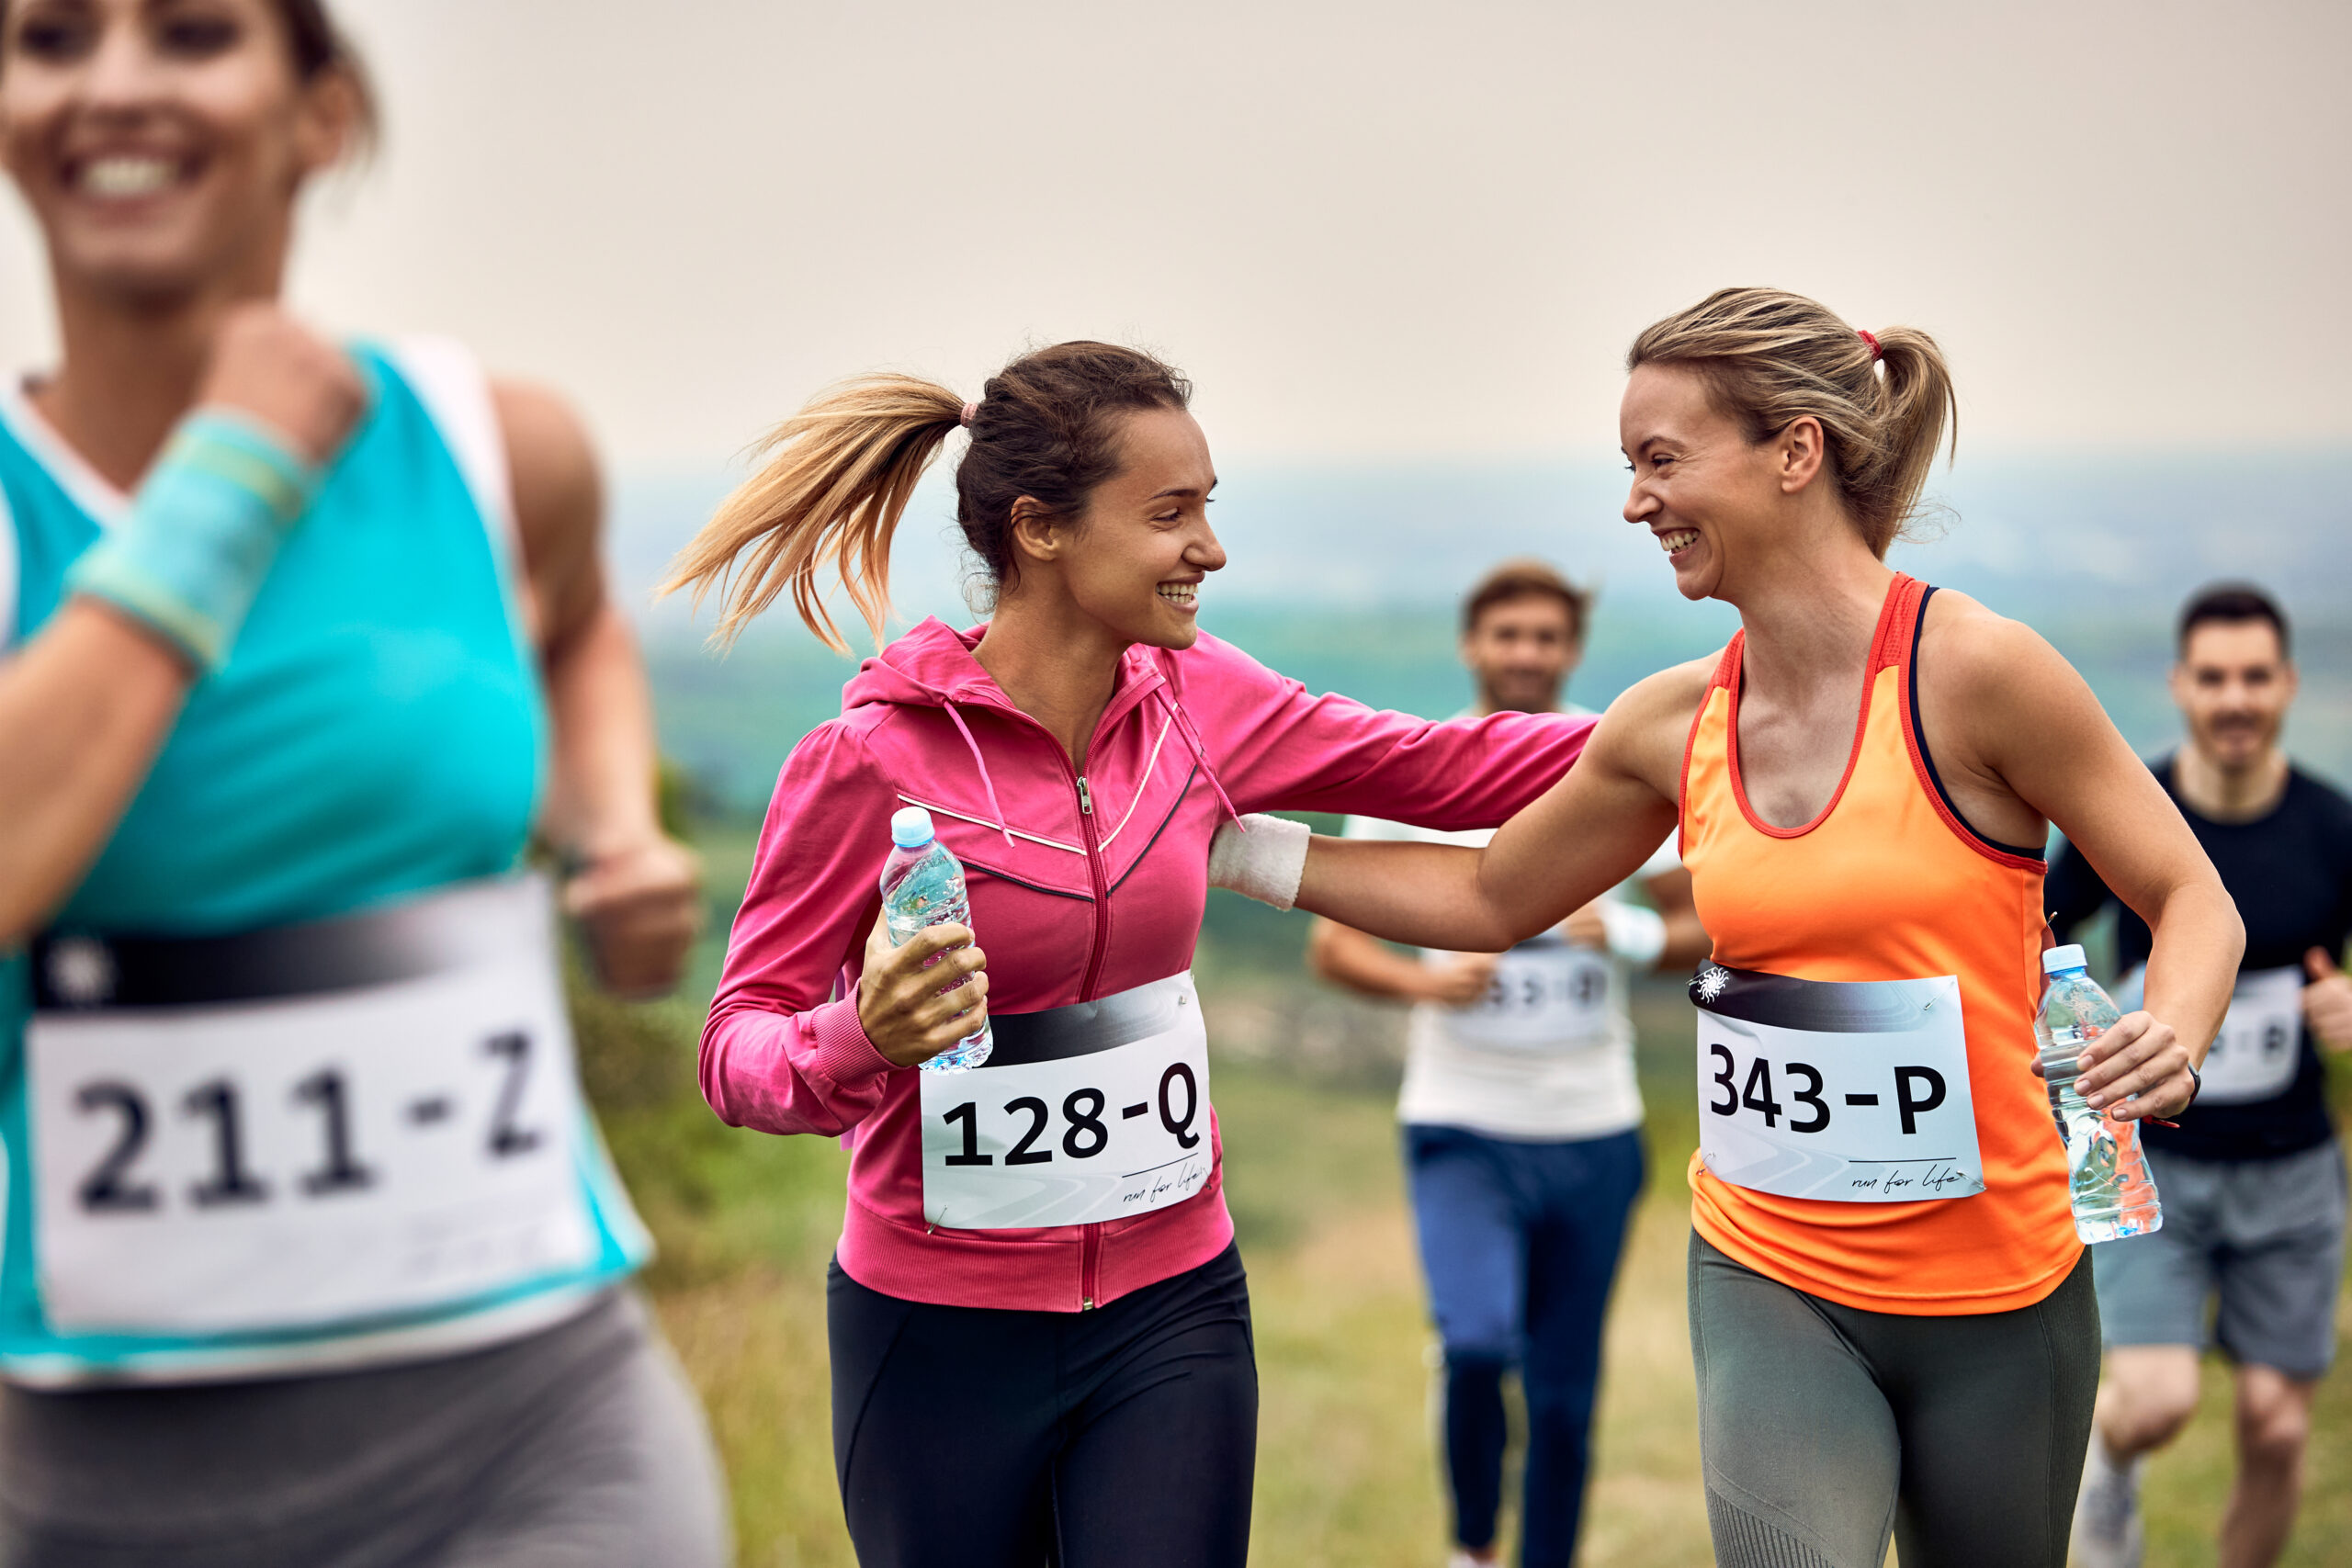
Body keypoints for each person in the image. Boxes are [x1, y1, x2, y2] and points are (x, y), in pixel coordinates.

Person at [1207, 286, 2245, 1568]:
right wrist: (1225, 845)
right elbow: (1486, 897)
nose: (1635, 503)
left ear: (1794, 452)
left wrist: (2173, 1031)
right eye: (1629, 467)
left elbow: (2194, 896)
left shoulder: (1980, 673)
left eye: (1661, 459)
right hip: (1770, 1267)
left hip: (2000, 1283)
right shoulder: (1670, 719)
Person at [661, 341, 1596, 1568]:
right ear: (1042, 529)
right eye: (1172, 513)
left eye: (1208, 506)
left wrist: (1736, 705)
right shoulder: (872, 758)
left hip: (1174, 1303)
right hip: (935, 1325)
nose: (1209, 546)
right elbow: (737, 1045)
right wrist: (860, 1036)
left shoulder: (1203, 698)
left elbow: (1452, 769)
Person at [0, 2, 726, 1563]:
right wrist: (232, 473)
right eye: (51, 38)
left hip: (536, 1431)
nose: (116, 85)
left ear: (315, 115)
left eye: (191, 34)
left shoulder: (486, 445)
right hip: (89, 1480)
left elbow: (580, 618)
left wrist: (618, 823)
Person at [1305, 558, 1705, 1568]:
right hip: (1460, 1123)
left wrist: (1615, 934)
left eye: (1546, 638)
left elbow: (1702, 923)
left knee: (1567, 1399)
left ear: (1570, 651)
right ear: (1471, 646)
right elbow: (1334, 944)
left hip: (1593, 1130)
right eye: (1506, 635)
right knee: (1478, 1346)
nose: (1526, 653)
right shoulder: (1414, 769)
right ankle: (1473, 1548)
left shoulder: (1614, 765)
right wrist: (1421, 985)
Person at [2056, 582, 2352, 1568]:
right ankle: (2106, 1462)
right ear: (2181, 685)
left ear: (2286, 686)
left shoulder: (2329, 828)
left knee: (2274, 1425)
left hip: (2292, 1172)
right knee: (2154, 1400)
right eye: (2214, 677)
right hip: (2155, 1171)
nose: (2235, 698)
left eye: (2255, 677)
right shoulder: (2127, 816)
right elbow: (2026, 933)